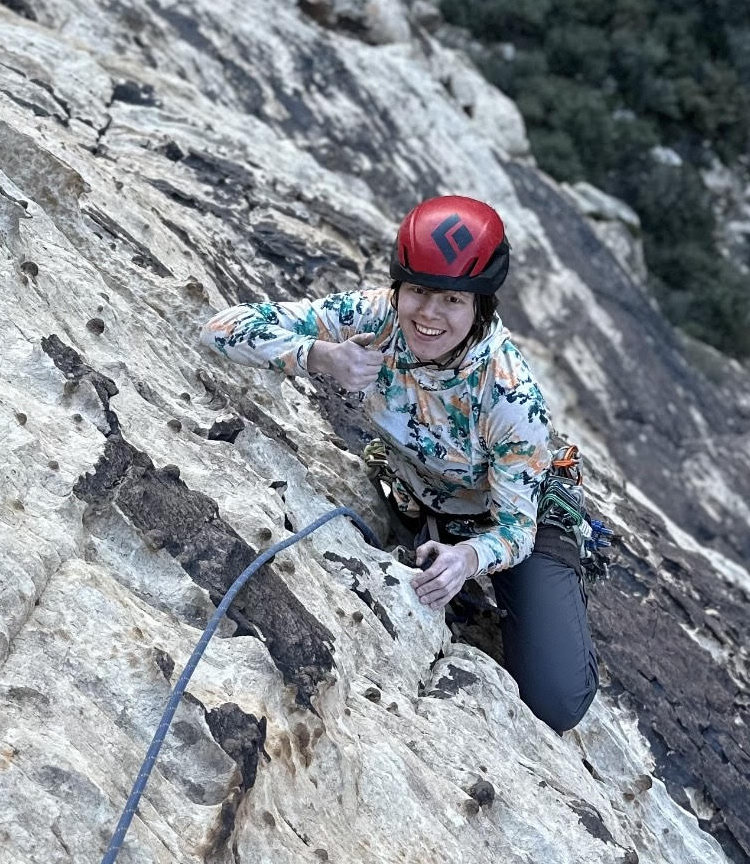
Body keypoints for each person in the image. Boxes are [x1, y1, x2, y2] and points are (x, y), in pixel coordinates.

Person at [199, 195, 598, 732]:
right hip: (418, 493)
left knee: (556, 701)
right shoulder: (374, 317)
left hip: (511, 515)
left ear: (481, 304)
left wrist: (466, 561)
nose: (428, 315)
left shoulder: (510, 396)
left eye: (452, 299)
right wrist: (320, 355)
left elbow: (516, 529)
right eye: (417, 291)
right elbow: (222, 328)